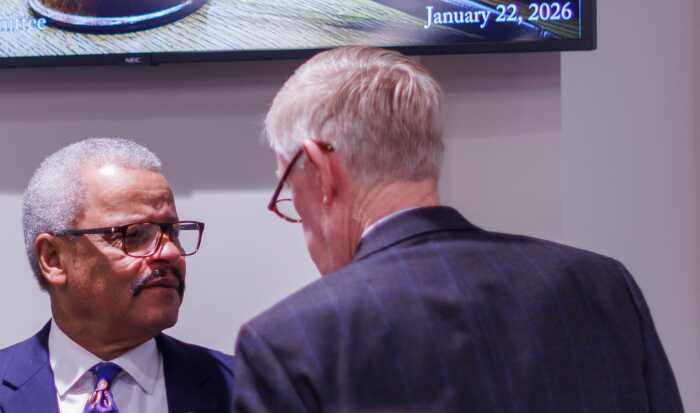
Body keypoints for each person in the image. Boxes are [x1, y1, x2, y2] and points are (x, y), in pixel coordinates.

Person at [232, 47, 684, 413]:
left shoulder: (290, 342)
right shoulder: (602, 285)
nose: (300, 219)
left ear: (320, 168)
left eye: (290, 191)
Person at [0, 137, 233, 413]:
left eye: (172, 232)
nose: (171, 253)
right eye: (134, 234)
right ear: (53, 259)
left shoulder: (244, 390)